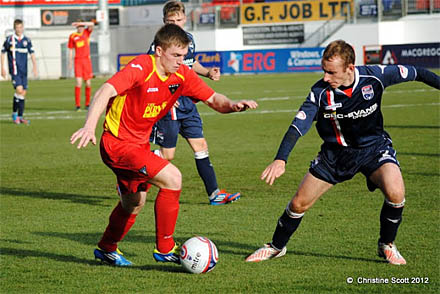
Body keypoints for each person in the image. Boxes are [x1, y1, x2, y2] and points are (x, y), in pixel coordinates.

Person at [70, 23, 258, 266]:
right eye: (176, 55)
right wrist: (89, 126)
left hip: (138, 146)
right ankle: (165, 248)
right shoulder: (141, 67)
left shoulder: (181, 75)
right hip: (117, 144)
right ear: (159, 51)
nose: (181, 61)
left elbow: (213, 98)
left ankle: (106, 248)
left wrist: (231, 105)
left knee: (133, 204)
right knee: (173, 178)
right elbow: (105, 90)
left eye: (184, 55)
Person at [245, 40, 440, 265]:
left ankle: (386, 244)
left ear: (350, 68)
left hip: (373, 149)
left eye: (331, 72)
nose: (326, 77)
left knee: (396, 193)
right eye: (324, 71)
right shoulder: (320, 93)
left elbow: (418, 73)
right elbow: (298, 125)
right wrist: (281, 159)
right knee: (299, 204)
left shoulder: (375, 76)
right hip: (335, 156)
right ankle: (276, 247)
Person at [148, 0, 240, 205]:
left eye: (179, 19)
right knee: (167, 155)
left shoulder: (188, 39)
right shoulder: (158, 45)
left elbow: (190, 63)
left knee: (201, 146)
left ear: (185, 19)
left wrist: (207, 72)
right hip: (170, 105)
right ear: (164, 22)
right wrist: (165, 99)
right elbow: (152, 73)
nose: (176, 23)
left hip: (188, 102)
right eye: (171, 21)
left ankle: (215, 194)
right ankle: (131, 177)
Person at [1, 19, 37, 125]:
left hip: (24, 71)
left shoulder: (27, 40)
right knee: (19, 90)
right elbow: (2, 53)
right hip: (15, 71)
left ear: (23, 28)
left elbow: (32, 53)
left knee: (23, 93)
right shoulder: (9, 40)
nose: (19, 29)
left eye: (21, 27)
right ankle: (14, 114)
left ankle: (20, 116)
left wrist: (35, 66)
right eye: (17, 28)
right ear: (14, 28)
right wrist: (2, 68)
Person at [68, 20, 94, 111]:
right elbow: (71, 49)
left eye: (82, 26)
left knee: (88, 83)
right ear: (76, 27)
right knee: (78, 82)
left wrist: (83, 23)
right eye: (79, 26)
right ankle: (77, 105)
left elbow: (92, 24)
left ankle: (87, 104)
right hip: (78, 61)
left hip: (86, 61)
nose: (80, 28)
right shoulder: (72, 36)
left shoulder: (87, 32)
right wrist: (70, 62)